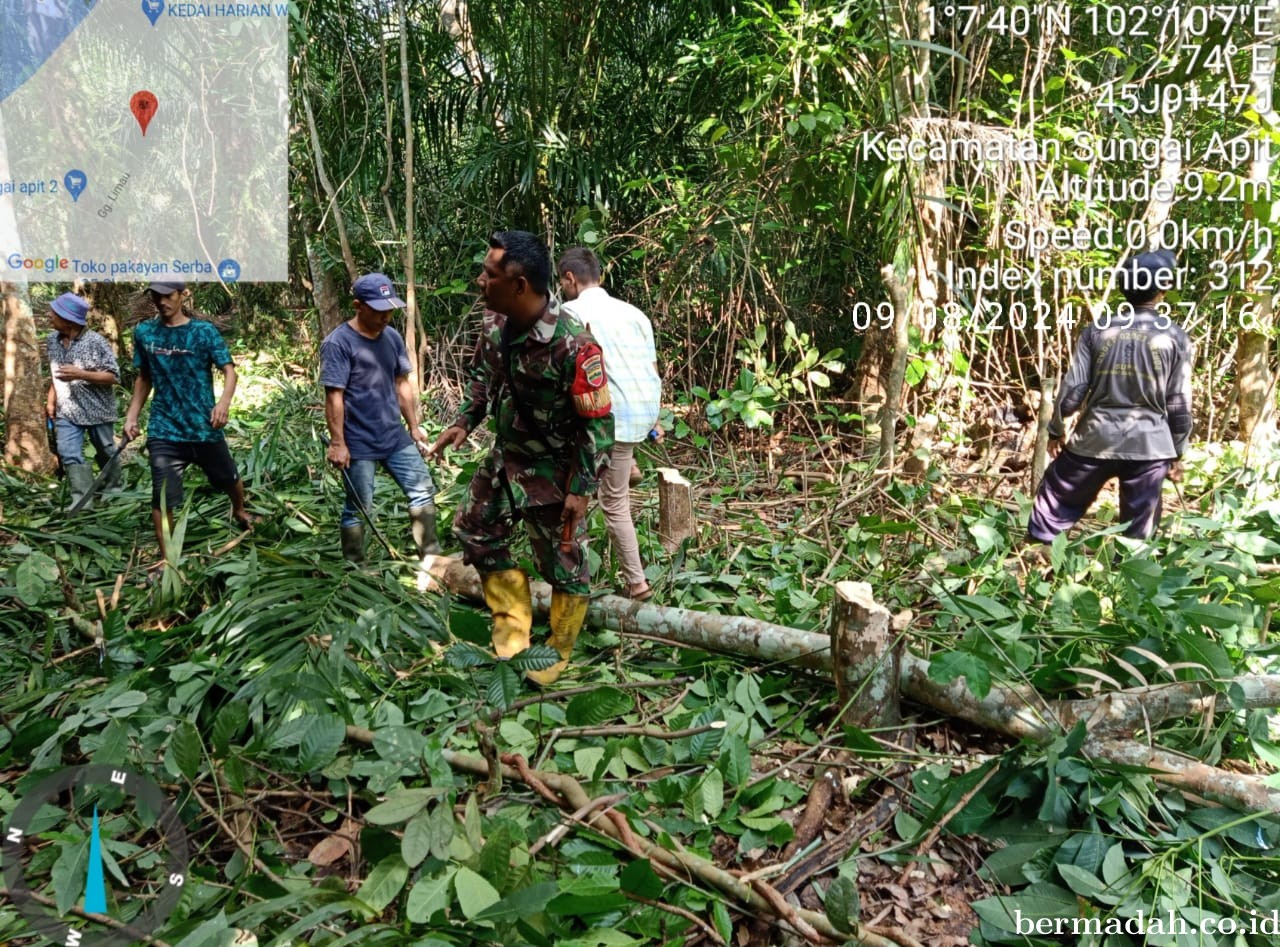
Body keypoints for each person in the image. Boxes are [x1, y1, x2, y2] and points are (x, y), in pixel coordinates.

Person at [430, 231, 614, 685]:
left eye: (490, 274)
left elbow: (599, 424)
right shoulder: (495, 325)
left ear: (520, 286)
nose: (480, 281)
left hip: (554, 471)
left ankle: (558, 651)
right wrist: (463, 421)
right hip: (506, 459)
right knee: (474, 530)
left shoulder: (574, 345)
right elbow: (483, 379)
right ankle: (513, 629)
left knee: (564, 563)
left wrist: (581, 491)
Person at [1027, 250, 1192, 544]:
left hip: (1094, 439)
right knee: (1137, 537)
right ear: (1163, 288)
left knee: (1055, 499)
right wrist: (1177, 453)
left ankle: (1035, 557)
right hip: (1150, 447)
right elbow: (1178, 405)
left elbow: (1074, 390)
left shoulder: (1098, 331)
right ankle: (1129, 578)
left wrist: (1057, 428)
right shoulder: (1176, 337)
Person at [557, 246, 661, 600]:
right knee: (617, 461)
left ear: (570, 279)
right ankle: (625, 463)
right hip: (641, 413)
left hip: (610, 420)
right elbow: (651, 369)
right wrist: (653, 420)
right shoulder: (634, 313)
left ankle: (637, 584)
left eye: (562, 282)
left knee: (614, 502)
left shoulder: (569, 313)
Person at [123, 280, 253, 557]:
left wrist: (223, 404)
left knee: (228, 478)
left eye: (167, 295)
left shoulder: (203, 332)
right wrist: (132, 416)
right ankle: (168, 558)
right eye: (156, 296)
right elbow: (144, 377)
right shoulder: (145, 333)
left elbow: (229, 370)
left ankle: (240, 510)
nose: (161, 301)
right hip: (164, 428)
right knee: (162, 495)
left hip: (203, 426)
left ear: (184, 295)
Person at [320, 273, 441, 563]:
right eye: (378, 310)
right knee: (359, 505)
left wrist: (413, 426)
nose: (386, 316)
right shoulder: (338, 343)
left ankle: (432, 559)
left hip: (393, 434)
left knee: (422, 490)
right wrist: (338, 443)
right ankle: (355, 568)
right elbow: (334, 397)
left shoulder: (392, 337)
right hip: (357, 440)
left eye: (389, 309)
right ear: (358, 306)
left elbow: (401, 383)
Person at [44, 292, 121, 511]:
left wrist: (81, 373)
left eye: (54, 313)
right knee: (68, 452)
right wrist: (51, 400)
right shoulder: (53, 340)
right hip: (67, 410)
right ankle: (81, 500)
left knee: (106, 450)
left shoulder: (95, 342)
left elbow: (114, 376)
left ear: (68, 320)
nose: (49, 316)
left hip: (98, 410)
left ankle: (114, 491)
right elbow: (55, 373)